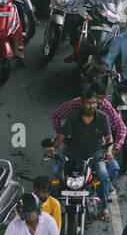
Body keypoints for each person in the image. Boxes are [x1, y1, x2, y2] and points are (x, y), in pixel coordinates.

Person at [46, 91, 116, 219]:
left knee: (103, 175)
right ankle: (53, 207)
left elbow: (108, 136)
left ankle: (104, 206)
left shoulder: (102, 117)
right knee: (56, 173)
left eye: (94, 103)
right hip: (73, 152)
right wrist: (52, 148)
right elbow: (62, 135)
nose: (92, 106)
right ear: (81, 104)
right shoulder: (74, 117)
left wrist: (109, 151)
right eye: (89, 103)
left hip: (95, 153)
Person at [49, 85, 127, 156]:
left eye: (97, 102)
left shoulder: (103, 114)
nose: (97, 104)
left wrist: (113, 149)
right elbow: (59, 126)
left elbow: (117, 130)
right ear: (82, 103)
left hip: (97, 149)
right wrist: (60, 142)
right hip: (75, 146)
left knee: (107, 170)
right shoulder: (74, 114)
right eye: (91, 102)